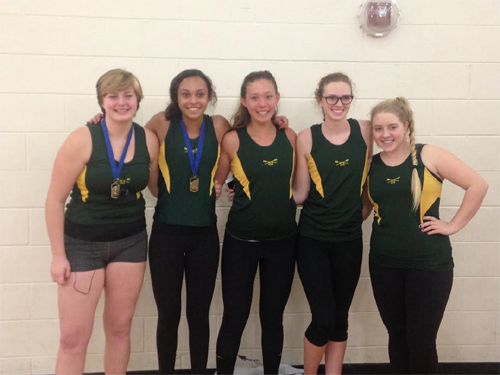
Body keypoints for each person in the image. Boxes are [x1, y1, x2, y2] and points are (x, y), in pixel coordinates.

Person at [45, 69, 159, 375]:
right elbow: (54, 201)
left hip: (130, 243)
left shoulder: (148, 139)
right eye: (113, 96)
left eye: (128, 95)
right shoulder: (82, 139)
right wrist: (58, 256)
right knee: (72, 338)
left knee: (120, 329)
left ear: (138, 100)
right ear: (102, 101)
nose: (121, 102)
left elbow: (156, 188)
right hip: (83, 246)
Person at [367, 97, 488, 374]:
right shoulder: (371, 164)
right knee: (397, 337)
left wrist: (453, 225)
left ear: (406, 126)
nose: (385, 135)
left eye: (392, 127)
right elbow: (363, 209)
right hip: (384, 264)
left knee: (421, 340)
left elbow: (478, 185)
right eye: (378, 129)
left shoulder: (428, 155)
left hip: (429, 266)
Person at [145, 69, 230, 375]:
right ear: (175, 96)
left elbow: (247, 142)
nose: (193, 100)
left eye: (200, 94)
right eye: (185, 94)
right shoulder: (160, 122)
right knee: (168, 314)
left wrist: (278, 122)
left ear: (209, 96)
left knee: (199, 314)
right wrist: (99, 119)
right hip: (167, 232)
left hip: (204, 235)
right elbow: (126, 141)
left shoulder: (219, 125)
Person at [214, 71, 297, 375]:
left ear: (277, 98)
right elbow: (219, 183)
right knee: (235, 316)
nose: (262, 103)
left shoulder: (290, 136)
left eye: (268, 96)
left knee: (272, 317)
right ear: (244, 101)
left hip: (283, 243)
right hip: (241, 243)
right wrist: (231, 188)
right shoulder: (233, 139)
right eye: (255, 97)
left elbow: (294, 186)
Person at [293, 72, 372, 375]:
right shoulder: (306, 137)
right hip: (313, 239)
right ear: (320, 100)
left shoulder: (366, 131)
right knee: (323, 317)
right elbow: (301, 192)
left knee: (340, 317)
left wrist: (360, 212)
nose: (339, 103)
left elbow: (373, 177)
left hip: (349, 241)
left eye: (345, 97)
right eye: (332, 98)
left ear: (352, 99)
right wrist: (259, 193)